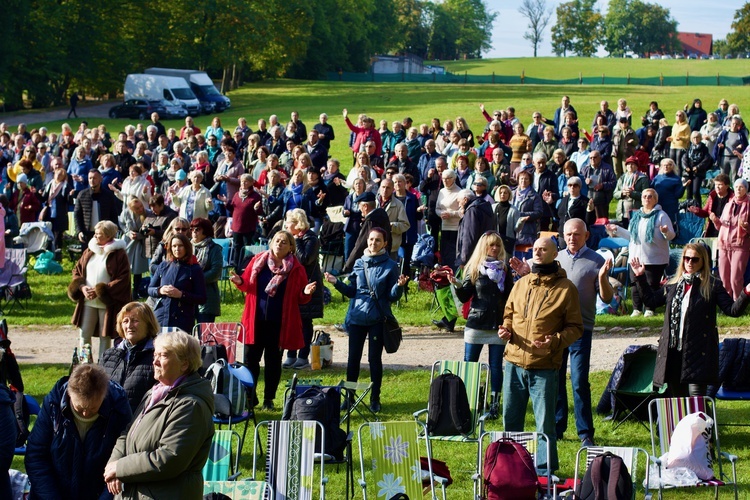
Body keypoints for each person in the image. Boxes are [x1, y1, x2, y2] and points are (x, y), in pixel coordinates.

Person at [511, 219, 613, 447]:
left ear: (586, 235)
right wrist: (526, 272)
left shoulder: (597, 261)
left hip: (580, 329)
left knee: (579, 381)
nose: (572, 238)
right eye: (568, 234)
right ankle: (557, 427)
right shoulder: (556, 258)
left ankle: (585, 432)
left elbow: (606, 298)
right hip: (553, 330)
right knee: (554, 379)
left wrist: (603, 277)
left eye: (576, 234)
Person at [498, 236, 583, 474]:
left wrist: (554, 341)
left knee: (545, 423)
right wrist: (505, 328)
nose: (537, 252)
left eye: (543, 249)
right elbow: (509, 312)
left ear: (555, 254)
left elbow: (576, 328)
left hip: (544, 365)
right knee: (510, 419)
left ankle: (545, 471)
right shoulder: (522, 283)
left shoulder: (566, 289)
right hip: (514, 361)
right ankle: (511, 467)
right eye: (535, 248)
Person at [104, 331, 214, 498]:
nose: (154, 361)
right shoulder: (154, 393)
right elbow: (128, 433)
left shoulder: (191, 405)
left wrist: (121, 467)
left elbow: (169, 458)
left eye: (163, 356)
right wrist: (114, 465)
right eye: (155, 354)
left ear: (184, 364)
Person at [631, 243, 750, 397]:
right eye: (687, 258)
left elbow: (732, 310)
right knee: (679, 400)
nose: (689, 263)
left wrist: (746, 292)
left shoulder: (713, 285)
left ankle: (703, 421)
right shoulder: (672, 284)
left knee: (696, 401)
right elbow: (651, 301)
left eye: (695, 259)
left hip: (698, 351)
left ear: (703, 261)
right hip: (673, 351)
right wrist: (640, 277)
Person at [325, 228, 409, 413]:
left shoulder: (390, 265)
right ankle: (349, 398)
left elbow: (391, 296)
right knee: (353, 359)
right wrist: (335, 282)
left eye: (378, 240)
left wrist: (399, 287)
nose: (373, 243)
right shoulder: (359, 263)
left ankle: (374, 399)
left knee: (374, 359)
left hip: (377, 319)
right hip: (356, 318)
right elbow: (351, 291)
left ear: (385, 243)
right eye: (371, 239)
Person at [231, 230, 316, 409]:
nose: (279, 244)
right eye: (277, 240)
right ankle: (250, 398)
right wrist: (239, 281)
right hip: (254, 321)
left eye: (284, 242)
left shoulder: (296, 268)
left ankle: (269, 399)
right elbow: (247, 285)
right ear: (271, 243)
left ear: (291, 247)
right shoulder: (258, 261)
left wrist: (306, 293)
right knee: (250, 361)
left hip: (279, 323)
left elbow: (300, 298)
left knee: (273, 362)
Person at [25, 364, 131, 499]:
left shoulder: (118, 407)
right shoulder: (54, 403)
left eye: (93, 408)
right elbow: (36, 455)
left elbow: (125, 457)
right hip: (53, 492)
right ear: (69, 394)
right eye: (79, 408)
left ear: (104, 396)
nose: (86, 413)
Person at [452, 232, 513, 419]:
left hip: (497, 323)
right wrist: (456, 284)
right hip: (476, 323)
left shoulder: (504, 270)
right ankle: (471, 400)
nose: (494, 249)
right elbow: (464, 297)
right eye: (490, 245)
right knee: (471, 364)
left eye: (497, 245)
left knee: (496, 365)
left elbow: (510, 295)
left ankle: (494, 405)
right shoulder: (474, 269)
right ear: (483, 247)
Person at [606, 188, 675, 317]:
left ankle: (650, 308)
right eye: (644, 197)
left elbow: (671, 236)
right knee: (635, 284)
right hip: (636, 257)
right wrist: (617, 230)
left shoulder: (661, 215)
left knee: (651, 284)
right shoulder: (636, 216)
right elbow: (631, 236)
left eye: (650, 197)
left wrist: (665, 231)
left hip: (654, 258)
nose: (647, 199)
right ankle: (637, 309)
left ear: (655, 200)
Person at [68, 220, 131, 360]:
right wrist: (82, 287)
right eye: (95, 234)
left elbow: (123, 278)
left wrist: (101, 290)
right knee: (84, 334)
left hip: (106, 303)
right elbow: (77, 271)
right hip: (88, 302)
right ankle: (85, 364)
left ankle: (103, 366)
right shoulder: (89, 250)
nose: (95, 237)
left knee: (105, 337)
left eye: (99, 234)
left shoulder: (119, 254)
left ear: (109, 236)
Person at [282, 209, 324, 370]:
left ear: (298, 224)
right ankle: (291, 355)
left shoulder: (310, 238)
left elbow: (305, 258)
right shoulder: (295, 238)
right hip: (294, 286)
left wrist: (296, 241)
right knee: (293, 321)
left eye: (289, 222)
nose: (286, 225)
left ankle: (303, 356)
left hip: (308, 286)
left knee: (305, 322)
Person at [101, 302, 159, 413]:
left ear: (148, 324)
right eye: (125, 321)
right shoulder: (109, 355)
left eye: (135, 321)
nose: (129, 326)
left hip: (140, 422)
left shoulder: (157, 355)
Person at [148, 232, 207, 333]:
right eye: (174, 246)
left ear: (186, 247)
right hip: (161, 316)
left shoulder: (195, 269)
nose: (177, 249)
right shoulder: (163, 265)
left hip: (182, 319)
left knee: (179, 348)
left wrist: (181, 294)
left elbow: (202, 298)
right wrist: (160, 290)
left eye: (180, 246)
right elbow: (150, 289)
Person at [710, 178, 750, 300]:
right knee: (724, 277)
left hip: (740, 245)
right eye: (736, 187)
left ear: (746, 190)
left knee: (735, 278)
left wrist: (747, 227)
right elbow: (721, 225)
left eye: (741, 187)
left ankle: (738, 302)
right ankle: (727, 304)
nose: (738, 189)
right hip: (723, 244)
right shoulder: (728, 204)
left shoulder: (749, 205)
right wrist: (715, 220)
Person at [342, 191, 391, 274]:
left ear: (365, 206)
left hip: (370, 262)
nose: (359, 209)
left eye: (359, 206)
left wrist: (347, 266)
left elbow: (360, 245)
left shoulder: (371, 222)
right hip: (383, 259)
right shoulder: (382, 216)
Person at [223, 173, 262, 268]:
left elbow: (260, 212)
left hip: (248, 227)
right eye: (242, 181)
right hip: (237, 226)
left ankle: (246, 267)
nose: (243, 183)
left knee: (247, 248)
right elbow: (232, 208)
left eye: (246, 181)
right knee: (236, 247)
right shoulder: (237, 194)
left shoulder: (255, 196)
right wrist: (226, 202)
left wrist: (256, 208)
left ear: (250, 183)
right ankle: (236, 267)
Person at [74, 169, 121, 243]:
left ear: (100, 179)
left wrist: (113, 231)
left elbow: (113, 214)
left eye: (94, 178)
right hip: (87, 234)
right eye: (90, 178)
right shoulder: (82, 195)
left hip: (104, 234)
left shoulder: (108, 195)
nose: (92, 180)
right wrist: (79, 231)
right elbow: (77, 215)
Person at [191, 217, 223, 324]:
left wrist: (195, 280)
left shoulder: (214, 249)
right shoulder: (187, 247)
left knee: (205, 336)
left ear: (206, 231)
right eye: (192, 229)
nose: (194, 232)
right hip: (188, 297)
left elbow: (216, 272)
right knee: (185, 337)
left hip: (207, 297)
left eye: (198, 229)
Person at [120, 197, 152, 299]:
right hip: (128, 242)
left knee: (138, 269)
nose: (140, 209)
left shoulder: (148, 213)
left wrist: (138, 235)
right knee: (126, 267)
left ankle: (135, 292)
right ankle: (125, 291)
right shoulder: (126, 213)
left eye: (141, 206)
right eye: (137, 208)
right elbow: (121, 223)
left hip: (140, 243)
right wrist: (128, 232)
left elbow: (149, 230)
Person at [456, 189, 495, 268]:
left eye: (459, 202)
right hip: (485, 253)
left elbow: (469, 237)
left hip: (473, 258)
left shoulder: (472, 211)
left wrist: (464, 260)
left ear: (465, 199)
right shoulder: (484, 206)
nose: (459, 205)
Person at [689, 173, 733, 238]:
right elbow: (706, 213)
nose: (717, 187)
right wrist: (697, 211)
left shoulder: (733, 198)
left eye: (720, 185)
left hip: (727, 230)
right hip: (712, 230)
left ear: (727, 186)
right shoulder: (712, 196)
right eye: (716, 184)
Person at [613, 156, 650, 228]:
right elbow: (615, 194)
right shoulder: (622, 178)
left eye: (632, 164)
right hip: (622, 211)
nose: (630, 166)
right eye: (628, 164)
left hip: (635, 211)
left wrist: (632, 193)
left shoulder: (642, 178)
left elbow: (646, 195)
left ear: (636, 166)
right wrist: (622, 193)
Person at [436, 169, 462, 269]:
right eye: (443, 179)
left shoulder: (459, 192)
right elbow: (437, 208)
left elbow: (461, 212)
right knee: (444, 253)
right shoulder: (442, 191)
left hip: (455, 228)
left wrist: (450, 213)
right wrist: (441, 213)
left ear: (454, 179)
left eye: (447, 178)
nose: (445, 181)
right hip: (444, 226)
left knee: (453, 254)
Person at [681, 130, 713, 206]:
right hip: (688, 173)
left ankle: (698, 208)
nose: (696, 139)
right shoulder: (689, 147)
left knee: (695, 191)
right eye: (694, 138)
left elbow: (707, 159)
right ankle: (688, 208)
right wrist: (686, 167)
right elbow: (684, 158)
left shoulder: (704, 148)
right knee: (689, 192)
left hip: (698, 172)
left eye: (697, 137)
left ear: (701, 138)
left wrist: (698, 167)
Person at [651, 158, 686, 225]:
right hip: (657, 205)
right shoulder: (657, 178)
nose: (666, 167)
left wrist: (683, 187)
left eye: (669, 165)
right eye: (664, 165)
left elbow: (678, 195)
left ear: (672, 166)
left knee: (669, 225)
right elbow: (651, 189)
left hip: (670, 207)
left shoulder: (676, 179)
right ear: (661, 166)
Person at [669, 110, 691, 176]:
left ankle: (678, 177)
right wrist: (670, 138)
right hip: (673, 146)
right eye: (677, 115)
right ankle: (672, 175)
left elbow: (688, 138)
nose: (678, 116)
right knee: (672, 162)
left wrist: (681, 138)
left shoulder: (686, 126)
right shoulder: (675, 125)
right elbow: (673, 135)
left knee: (678, 163)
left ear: (683, 117)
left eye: (680, 115)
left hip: (681, 147)